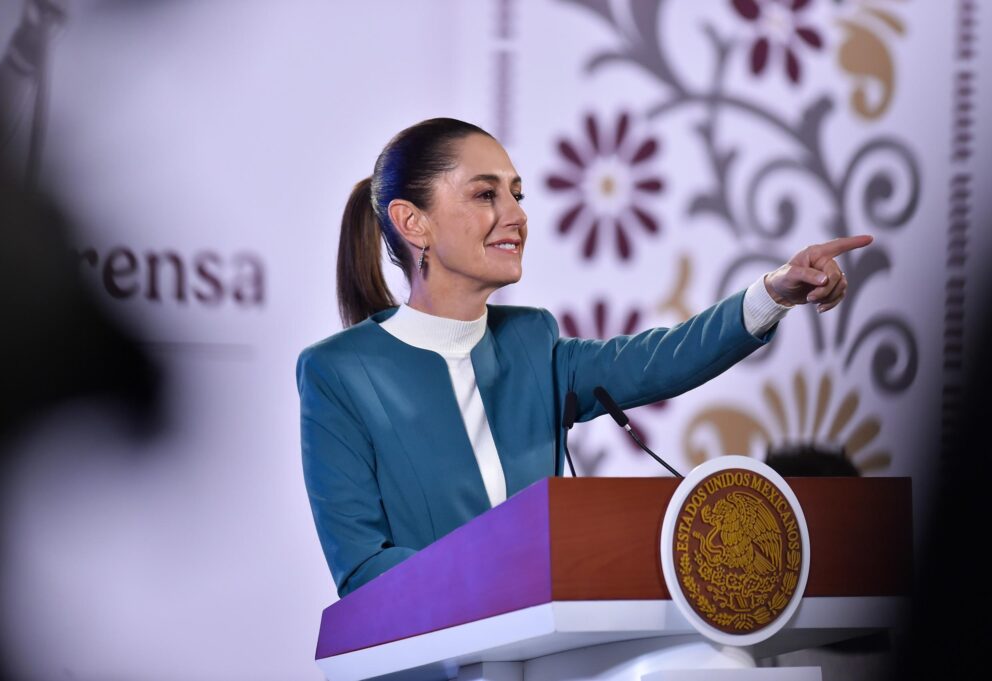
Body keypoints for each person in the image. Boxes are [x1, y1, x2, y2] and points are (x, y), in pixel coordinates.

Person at [296, 117, 871, 598]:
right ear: (412, 222)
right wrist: (504, 584)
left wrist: (774, 293)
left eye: (517, 194)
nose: (517, 215)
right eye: (486, 194)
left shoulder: (531, 341)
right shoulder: (338, 373)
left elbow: (662, 360)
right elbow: (363, 567)